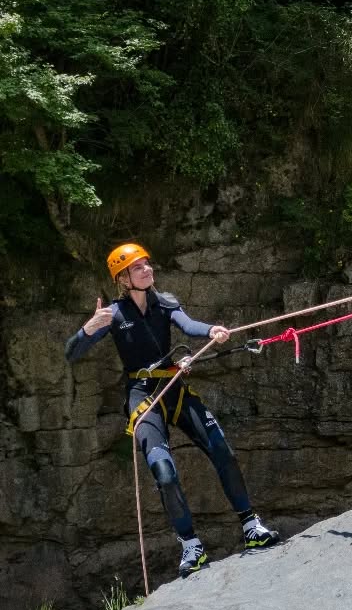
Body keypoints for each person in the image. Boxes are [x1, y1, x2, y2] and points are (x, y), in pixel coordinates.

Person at [65, 242, 279, 577]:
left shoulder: (165, 303)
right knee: (164, 473)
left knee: (221, 448)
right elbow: (71, 353)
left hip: (173, 388)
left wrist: (211, 330)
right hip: (142, 396)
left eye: (148, 264)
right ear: (122, 278)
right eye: (138, 267)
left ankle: (251, 525)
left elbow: (188, 324)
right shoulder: (113, 315)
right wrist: (87, 329)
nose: (147, 270)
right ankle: (191, 547)